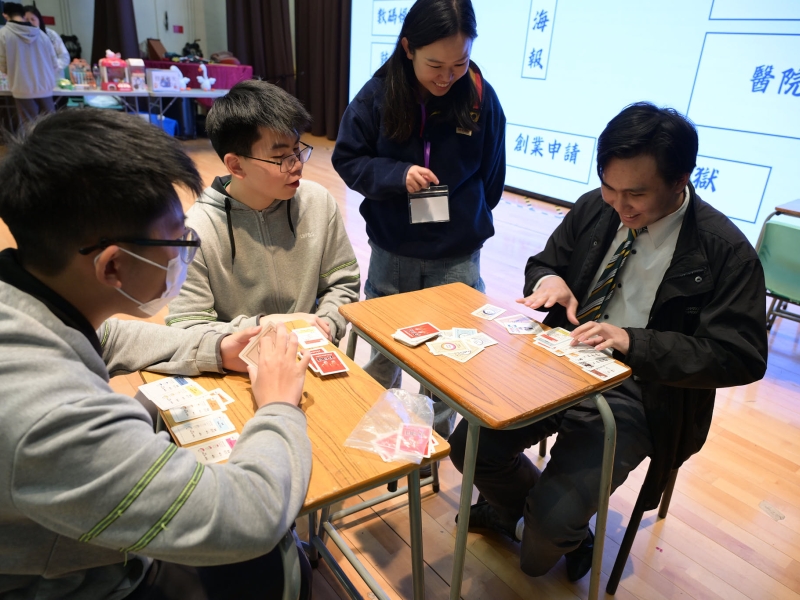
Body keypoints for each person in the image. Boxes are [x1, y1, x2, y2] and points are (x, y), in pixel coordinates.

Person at [0, 109, 315, 599]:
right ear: (113, 267)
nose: (186, 249)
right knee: (276, 565)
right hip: (86, 583)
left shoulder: (30, 296)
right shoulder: (51, 418)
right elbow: (252, 516)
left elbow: (106, 338)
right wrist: (277, 406)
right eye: (175, 237)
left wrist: (215, 347)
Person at [449, 103, 768, 581]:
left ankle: (537, 523)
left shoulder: (724, 252)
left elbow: (740, 355)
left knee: (536, 559)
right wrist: (551, 280)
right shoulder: (596, 208)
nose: (620, 205)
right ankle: (537, 519)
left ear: (680, 180)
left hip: (643, 392)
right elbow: (544, 262)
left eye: (636, 193)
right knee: (468, 447)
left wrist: (633, 342)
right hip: (562, 359)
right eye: (609, 187)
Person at [332, 0, 506, 438]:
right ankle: (377, 435)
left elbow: (492, 173)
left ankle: (436, 440)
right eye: (435, 65)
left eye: (459, 64)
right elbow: (348, 159)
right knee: (387, 347)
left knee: (451, 355)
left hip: (457, 253)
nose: (447, 77)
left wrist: (466, 216)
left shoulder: (479, 97)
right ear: (408, 48)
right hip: (394, 248)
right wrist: (397, 175)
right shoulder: (377, 95)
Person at [166, 79, 360, 346]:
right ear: (236, 165)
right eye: (280, 158)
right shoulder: (195, 231)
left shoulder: (317, 202)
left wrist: (326, 325)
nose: (296, 165)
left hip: (313, 351)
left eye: (297, 149)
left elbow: (343, 282)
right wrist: (263, 327)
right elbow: (187, 325)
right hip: (238, 363)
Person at [0, 2, 58, 123]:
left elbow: (3, 66)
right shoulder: (41, 34)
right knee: (51, 124)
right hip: (46, 87)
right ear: (23, 15)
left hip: (22, 88)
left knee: (31, 126)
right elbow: (54, 63)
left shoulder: (3, 34)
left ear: (5, 15)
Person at [24, 5, 71, 77]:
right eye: (26, 20)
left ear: (39, 20)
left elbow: (64, 57)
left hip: (54, 76)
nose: (30, 22)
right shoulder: (20, 38)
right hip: (32, 77)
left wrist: (51, 67)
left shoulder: (51, 34)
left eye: (33, 19)